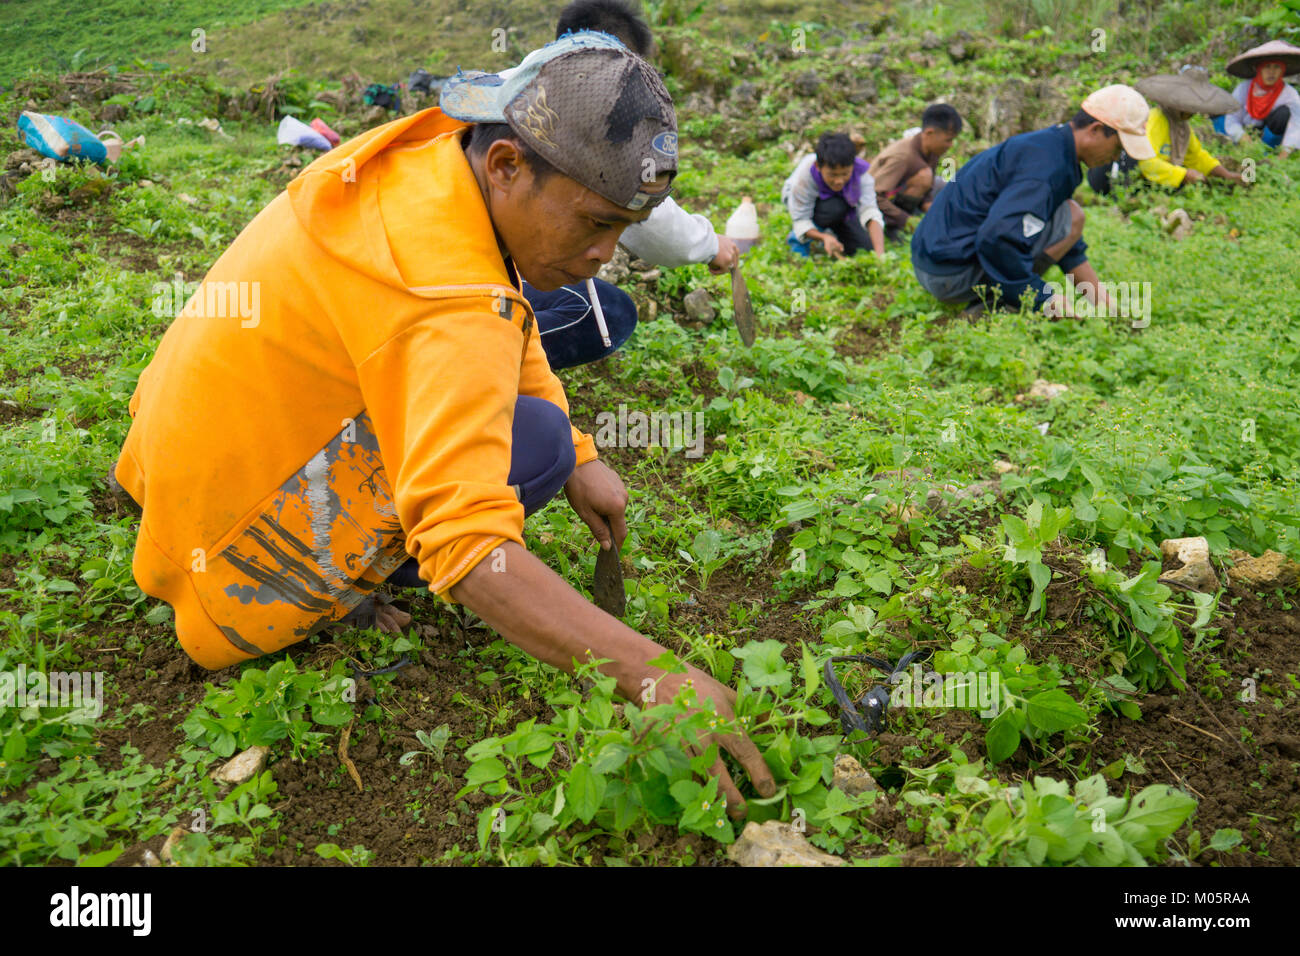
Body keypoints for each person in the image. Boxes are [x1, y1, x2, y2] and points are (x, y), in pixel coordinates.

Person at [111, 34, 774, 816]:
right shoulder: (451, 301)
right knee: (530, 447)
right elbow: (465, 542)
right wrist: (649, 672)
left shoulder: (427, 156)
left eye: (623, 230)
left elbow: (506, 303)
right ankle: (324, 597)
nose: (605, 255)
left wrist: (585, 454)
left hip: (163, 468)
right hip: (229, 575)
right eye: (594, 223)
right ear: (506, 167)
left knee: (551, 441)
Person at [497, 0, 740, 370]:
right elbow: (641, 213)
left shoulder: (513, 81)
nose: (606, 254)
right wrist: (709, 245)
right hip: (453, 284)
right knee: (605, 316)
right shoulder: (595, 111)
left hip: (470, 268)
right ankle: (474, 356)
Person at [911, 85, 1152, 317]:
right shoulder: (1046, 170)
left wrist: (1105, 304)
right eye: (1118, 147)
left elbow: (1069, 243)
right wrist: (1042, 297)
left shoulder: (1052, 147)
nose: (1116, 158)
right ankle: (996, 305)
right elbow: (997, 239)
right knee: (1072, 216)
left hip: (933, 262)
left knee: (1070, 215)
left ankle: (1011, 293)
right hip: (948, 274)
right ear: (1095, 130)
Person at [1088, 67, 1245, 193]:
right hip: (1111, 178)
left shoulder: (1182, 128)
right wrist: (1183, 175)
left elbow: (1196, 157)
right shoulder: (1156, 120)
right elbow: (1146, 162)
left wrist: (1226, 175)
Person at [782, 132, 885, 259]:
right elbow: (801, 219)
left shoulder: (861, 173)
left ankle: (833, 232)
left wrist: (880, 254)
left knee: (865, 246)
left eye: (845, 174)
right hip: (814, 207)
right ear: (818, 167)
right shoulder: (804, 177)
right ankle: (802, 237)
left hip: (844, 207)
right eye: (833, 175)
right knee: (834, 208)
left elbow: (869, 210)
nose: (839, 181)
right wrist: (824, 237)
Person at [870, 103, 962, 243]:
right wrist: (907, 220)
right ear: (930, 133)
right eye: (948, 140)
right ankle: (893, 228)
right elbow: (874, 197)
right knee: (924, 176)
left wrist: (932, 210)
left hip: (901, 195)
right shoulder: (902, 157)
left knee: (948, 185)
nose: (950, 145)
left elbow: (928, 189)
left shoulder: (932, 151)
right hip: (875, 206)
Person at [1217, 39, 1300, 160]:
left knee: (1283, 113)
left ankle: (1269, 149)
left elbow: (1296, 125)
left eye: (1276, 67)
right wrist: (1243, 137)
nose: (1271, 72)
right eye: (1267, 67)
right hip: (1247, 130)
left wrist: (1284, 153)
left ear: (1282, 70)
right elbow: (1232, 119)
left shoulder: (1289, 94)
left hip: (1271, 132)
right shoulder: (1243, 89)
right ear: (1259, 69)